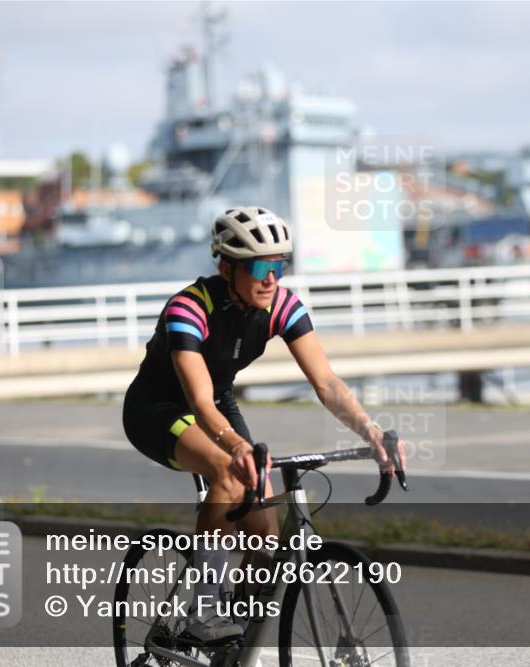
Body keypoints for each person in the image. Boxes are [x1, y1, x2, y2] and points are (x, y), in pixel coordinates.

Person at [123, 206, 407, 644]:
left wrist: (370, 431)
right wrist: (236, 447)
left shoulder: (282, 306)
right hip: (158, 409)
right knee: (226, 472)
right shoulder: (189, 307)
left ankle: (231, 634)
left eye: (279, 265)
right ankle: (204, 614)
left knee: (265, 531)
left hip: (218, 404)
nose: (271, 278)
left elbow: (327, 383)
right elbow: (198, 401)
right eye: (259, 266)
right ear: (226, 267)